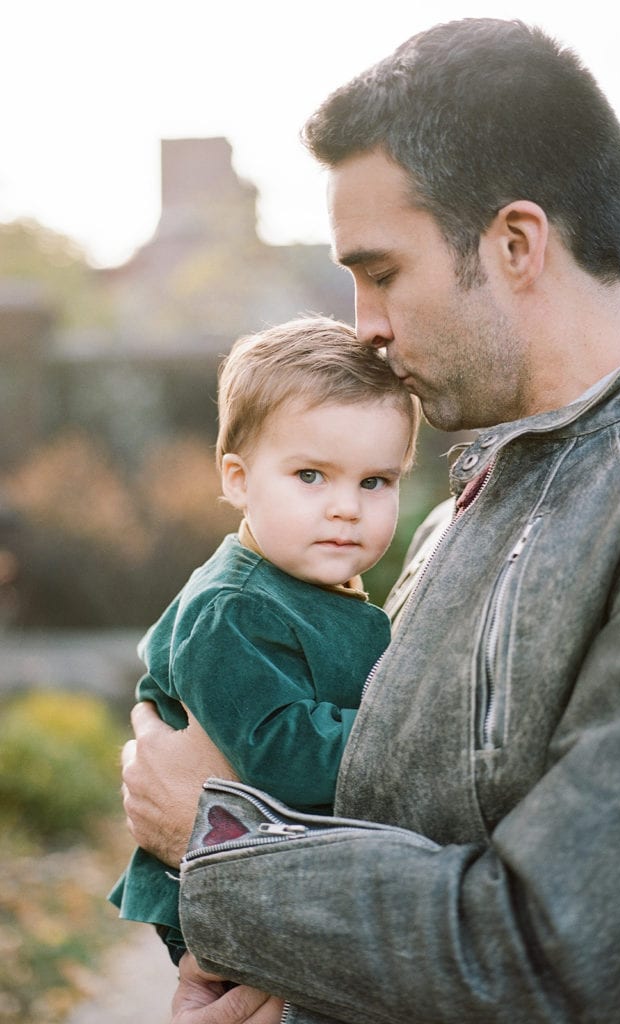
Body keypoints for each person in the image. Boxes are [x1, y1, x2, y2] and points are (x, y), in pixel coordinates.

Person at [121, 18, 620, 1024]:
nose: (364, 324)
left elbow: (554, 959)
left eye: (379, 271)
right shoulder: (461, 505)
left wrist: (213, 844)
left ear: (514, 243)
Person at [109, 315, 420, 965]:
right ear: (238, 480)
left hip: (291, 873)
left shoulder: (312, 589)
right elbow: (280, 751)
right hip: (217, 907)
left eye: (374, 481)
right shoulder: (231, 610)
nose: (345, 506)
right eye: (310, 475)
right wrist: (420, 736)